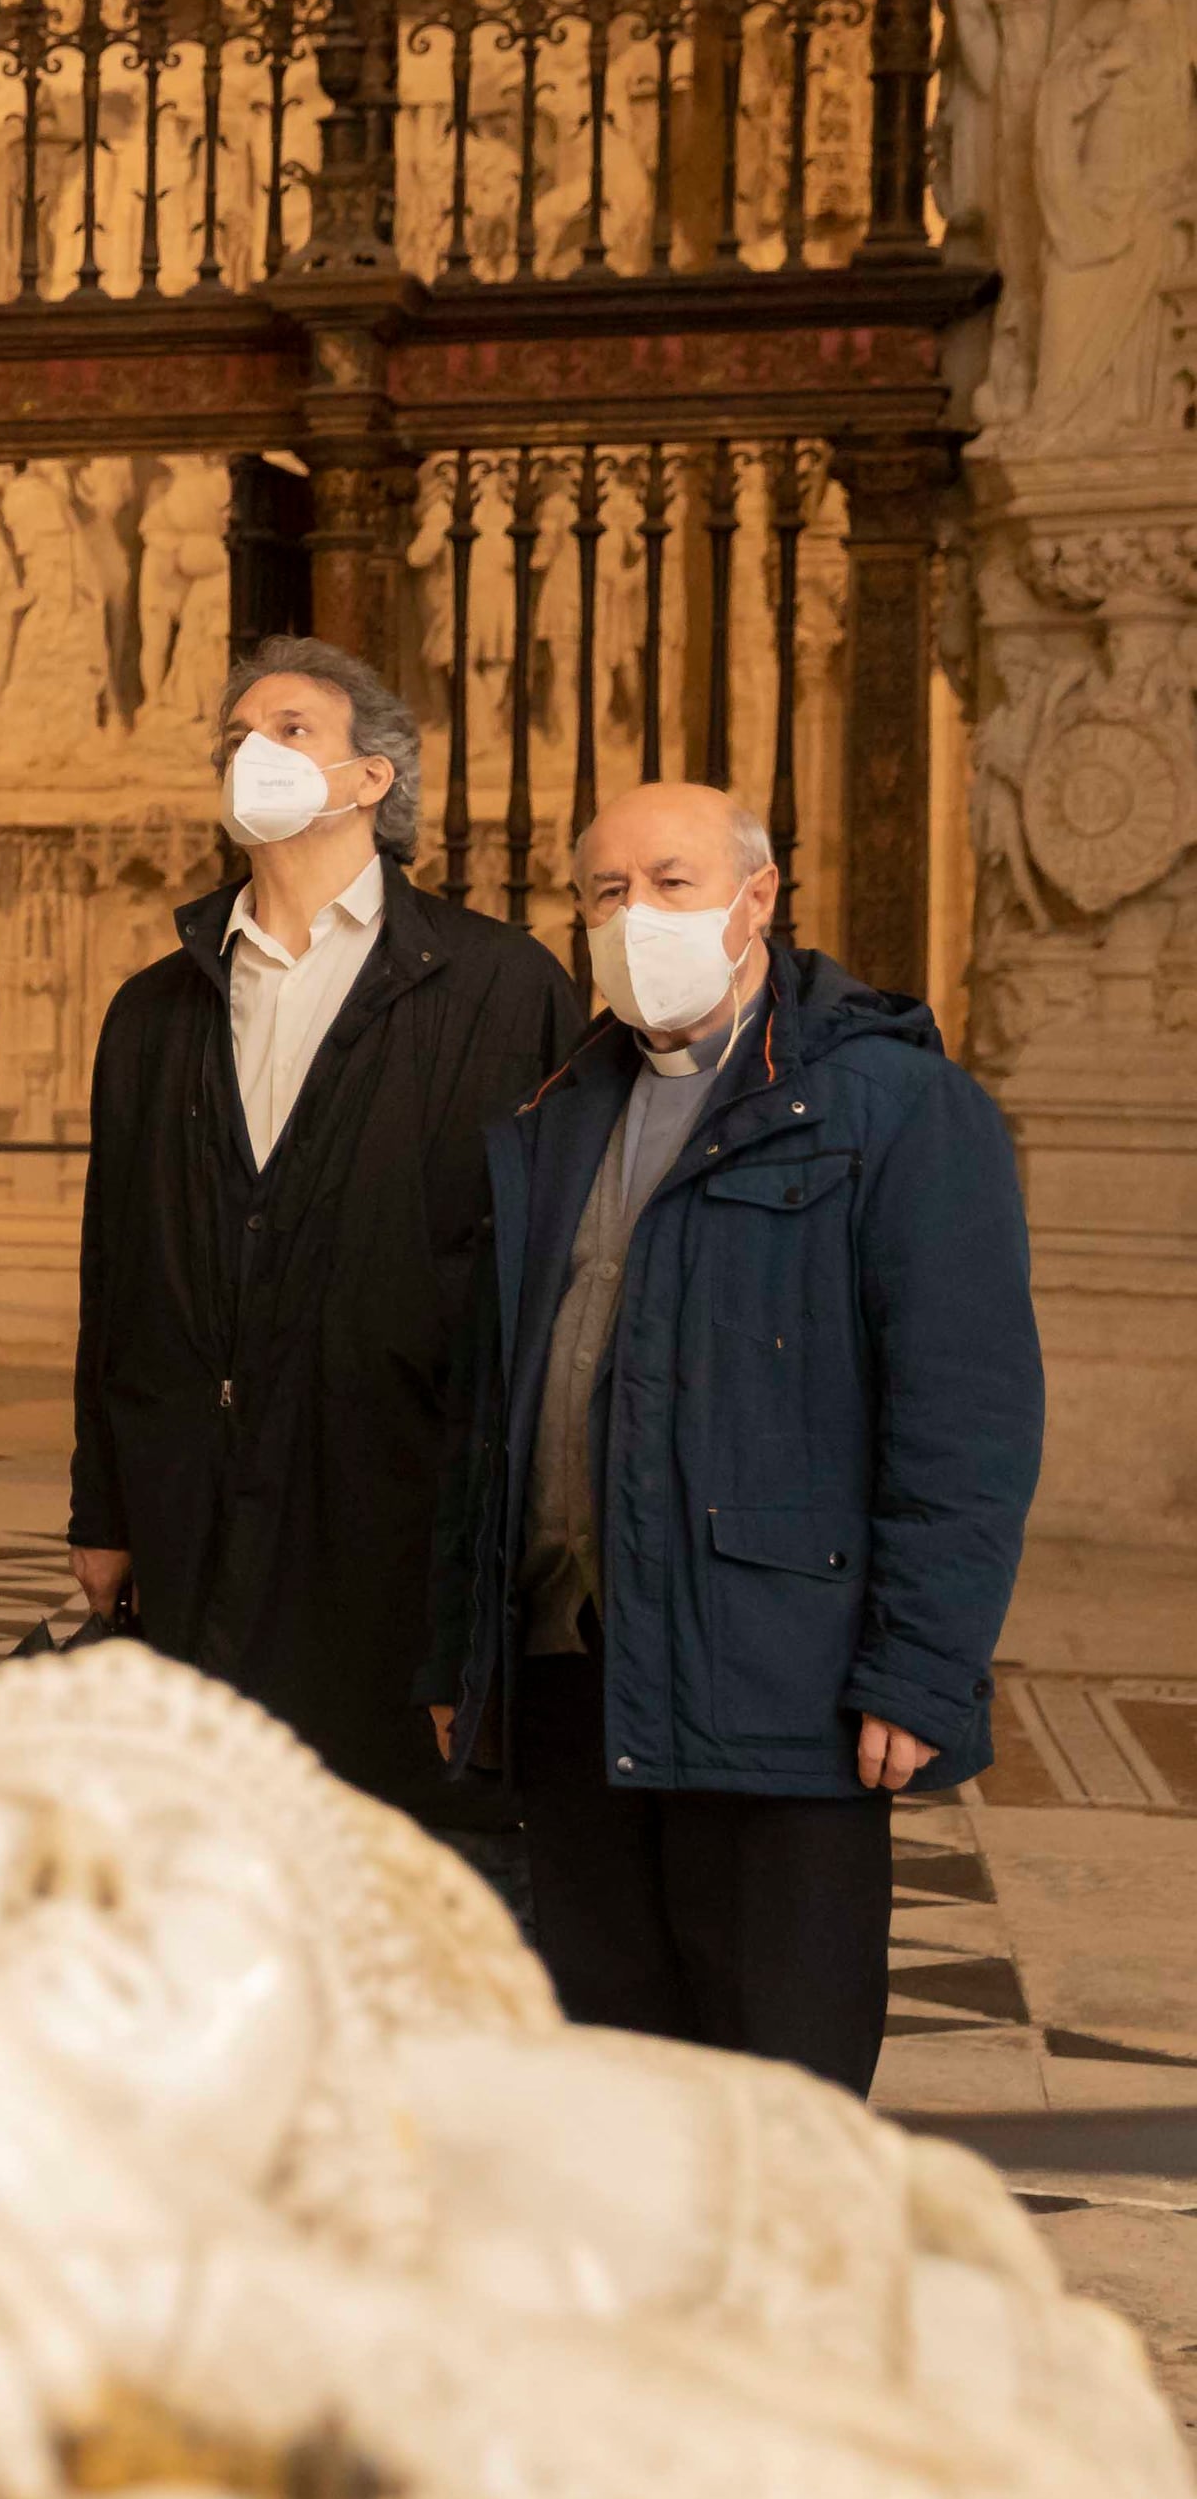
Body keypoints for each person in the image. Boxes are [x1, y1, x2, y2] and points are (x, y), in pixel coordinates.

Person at [424, 783, 1043, 2098]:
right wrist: (457, 1644)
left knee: (781, 2104)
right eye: (606, 891)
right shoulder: (559, 1109)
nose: (634, 914)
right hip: (570, 1679)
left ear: (757, 898)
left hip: (778, 1680)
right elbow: (492, 1405)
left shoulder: (891, 1105)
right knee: (624, 2099)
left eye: (672, 882)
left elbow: (966, 1413)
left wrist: (921, 1668)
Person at [69, 638, 580, 1864]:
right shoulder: (157, 1006)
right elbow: (114, 1268)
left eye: (288, 727)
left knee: (391, 1859)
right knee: (207, 1851)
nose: (250, 748)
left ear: (368, 781)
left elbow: (549, 1265)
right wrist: (102, 1501)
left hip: (398, 1491)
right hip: (197, 1492)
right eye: (236, 731)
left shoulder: (499, 986)